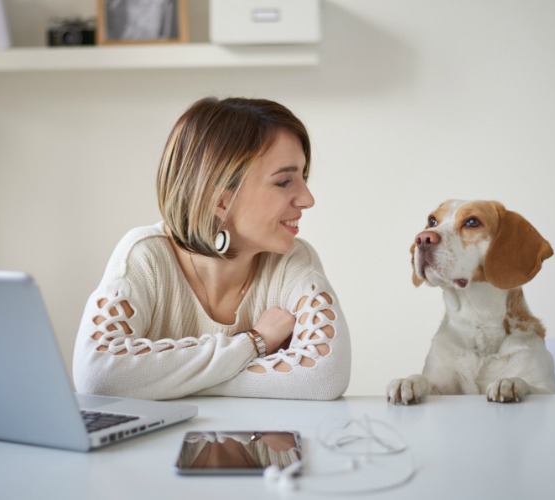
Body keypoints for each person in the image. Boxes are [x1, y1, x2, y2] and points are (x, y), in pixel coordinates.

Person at [72, 96, 350, 400]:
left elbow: (324, 378)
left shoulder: (293, 262)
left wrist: (168, 380)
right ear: (220, 200)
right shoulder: (145, 257)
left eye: (303, 177)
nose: (307, 199)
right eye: (284, 182)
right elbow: (98, 375)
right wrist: (254, 343)